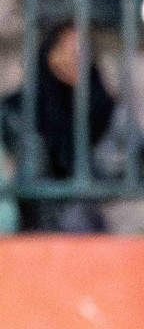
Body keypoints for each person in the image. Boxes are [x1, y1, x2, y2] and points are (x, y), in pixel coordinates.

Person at [1, 22, 116, 232]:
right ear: (51, 54)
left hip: (91, 226)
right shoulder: (15, 110)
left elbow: (141, 160)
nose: (77, 58)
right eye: (70, 49)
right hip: (27, 225)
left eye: (84, 51)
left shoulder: (105, 107)